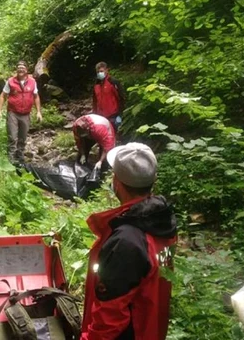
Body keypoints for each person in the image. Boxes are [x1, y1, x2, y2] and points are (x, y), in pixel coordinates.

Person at [80, 142, 178, 340]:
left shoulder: (126, 241)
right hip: (150, 327)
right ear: (153, 181)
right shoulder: (161, 219)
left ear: (116, 182)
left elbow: (110, 317)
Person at [0, 60, 43, 165]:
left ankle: (20, 158)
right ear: (16, 70)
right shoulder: (11, 81)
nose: (20, 69)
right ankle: (11, 160)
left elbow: (36, 96)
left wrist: (38, 112)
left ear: (26, 70)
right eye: (19, 68)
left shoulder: (32, 82)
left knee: (23, 138)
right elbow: (3, 95)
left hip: (26, 114)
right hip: (13, 113)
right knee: (12, 137)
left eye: (22, 68)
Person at [92, 62, 126, 131]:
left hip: (113, 116)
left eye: (101, 71)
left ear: (106, 70)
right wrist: (94, 115)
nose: (99, 73)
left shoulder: (113, 82)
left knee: (114, 137)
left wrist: (120, 114)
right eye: (98, 72)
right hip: (101, 117)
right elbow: (95, 102)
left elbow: (122, 98)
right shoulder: (96, 85)